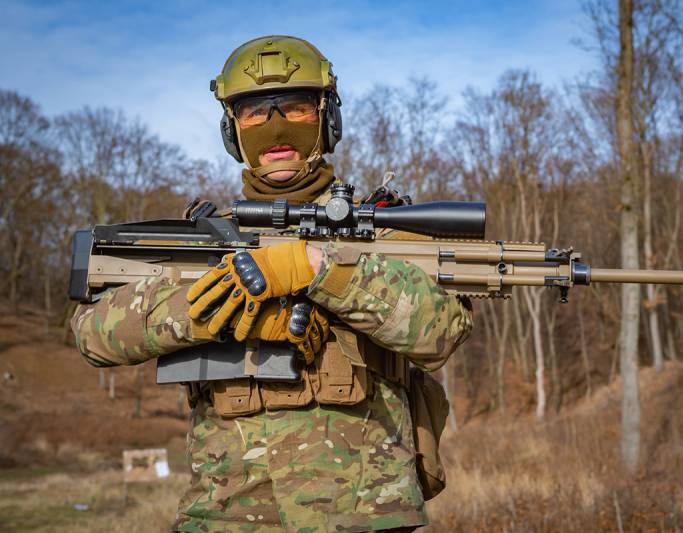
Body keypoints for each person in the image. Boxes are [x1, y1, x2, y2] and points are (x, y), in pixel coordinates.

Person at [71, 35, 473, 532]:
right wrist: (228, 309)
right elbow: (92, 333)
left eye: (297, 108)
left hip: (368, 515)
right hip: (225, 515)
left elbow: (442, 329)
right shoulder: (202, 242)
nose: (275, 127)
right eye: (254, 113)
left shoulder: (383, 236)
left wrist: (319, 269)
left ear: (327, 120)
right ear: (231, 130)